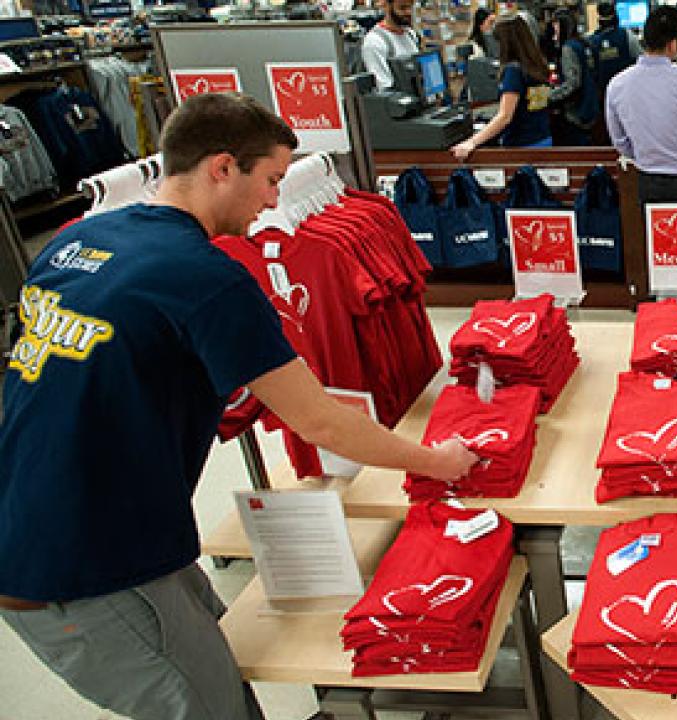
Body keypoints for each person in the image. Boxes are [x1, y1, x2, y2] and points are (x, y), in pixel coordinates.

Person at [0, 93, 479, 720]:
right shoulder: (207, 278)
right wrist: (438, 461)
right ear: (222, 167)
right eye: (273, 179)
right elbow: (319, 420)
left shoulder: (78, 242)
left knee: (216, 661)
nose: (277, 201)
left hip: (57, 521)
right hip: (84, 567)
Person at [606, 5, 677, 203]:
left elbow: (620, 141)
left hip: (647, 182)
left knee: (656, 234)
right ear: (672, 44)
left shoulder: (617, 84)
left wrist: (646, 156)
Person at [452, 13, 554, 160]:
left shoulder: (513, 70)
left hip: (522, 147)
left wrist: (471, 142)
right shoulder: (537, 64)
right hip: (542, 140)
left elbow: (505, 116)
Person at [548, 8, 600, 146]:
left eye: (556, 26)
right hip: (590, 105)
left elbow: (572, 83)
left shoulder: (568, 48)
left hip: (575, 111)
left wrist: (549, 96)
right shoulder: (584, 44)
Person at [361, 0, 420, 90]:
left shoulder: (410, 34)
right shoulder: (375, 41)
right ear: (386, 6)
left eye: (410, 7)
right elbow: (385, 88)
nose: (408, 12)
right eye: (402, 8)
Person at [590, 2, 643, 103]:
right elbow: (641, 59)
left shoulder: (593, 41)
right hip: (628, 91)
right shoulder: (627, 35)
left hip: (605, 95)